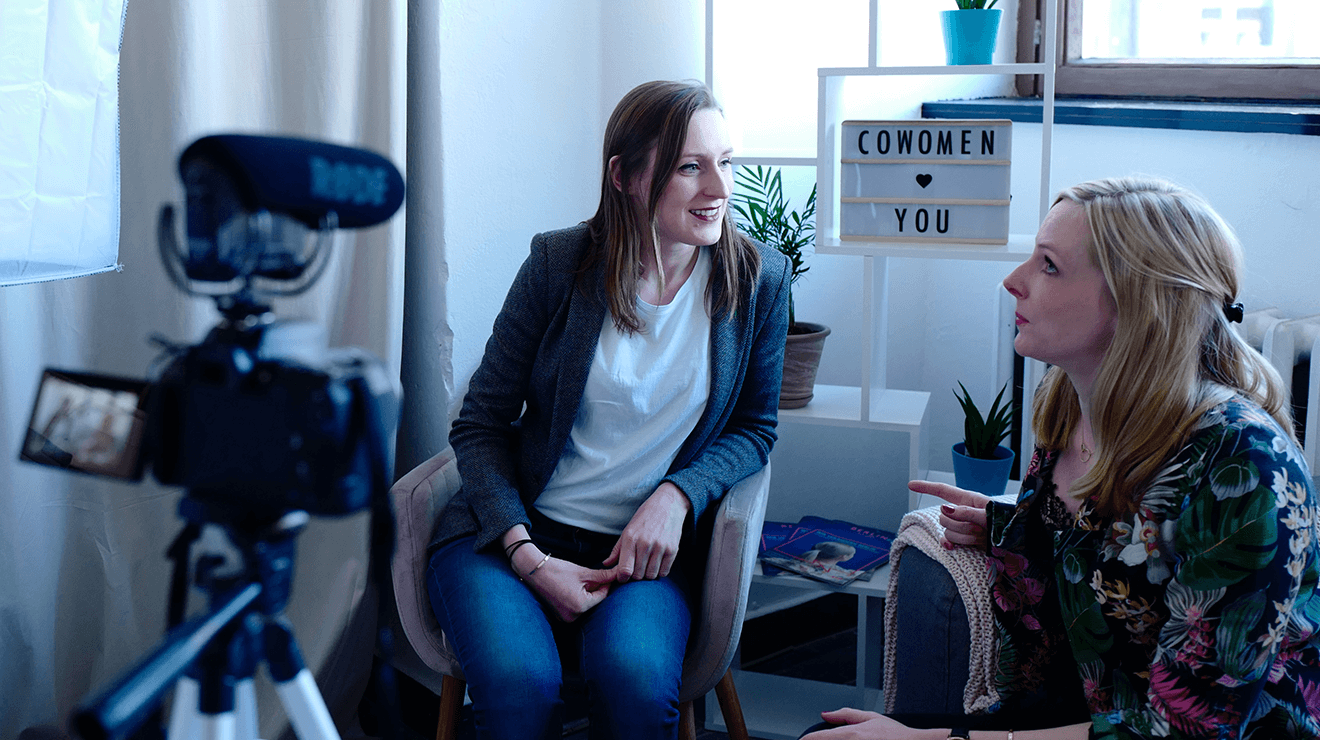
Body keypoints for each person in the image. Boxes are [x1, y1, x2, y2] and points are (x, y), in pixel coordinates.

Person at [803, 176, 1320, 740]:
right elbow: (1103, 561)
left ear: (1137, 304)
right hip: (1084, 716)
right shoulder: (1067, 404)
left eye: (1048, 265)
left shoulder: (1243, 465)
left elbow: (1187, 729)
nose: (1013, 281)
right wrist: (1011, 526)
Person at [426, 79, 790, 740]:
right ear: (624, 177)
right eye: (690, 167)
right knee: (519, 689)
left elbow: (754, 428)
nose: (719, 188)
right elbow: (480, 423)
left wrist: (677, 496)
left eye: (726, 162)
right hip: (510, 535)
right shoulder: (558, 264)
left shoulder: (758, 279)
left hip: (643, 559)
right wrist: (526, 554)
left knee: (635, 684)